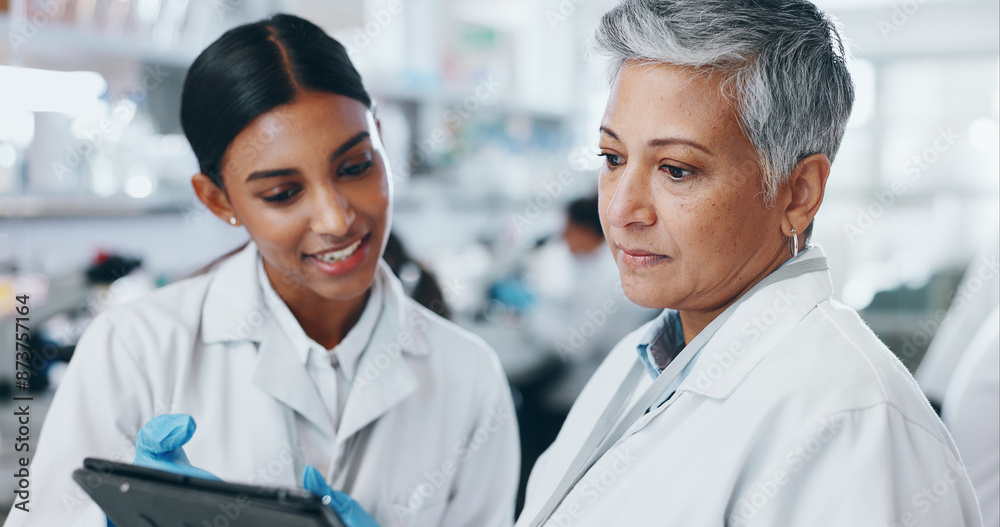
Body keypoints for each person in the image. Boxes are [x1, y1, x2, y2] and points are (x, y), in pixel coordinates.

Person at [7, 14, 518, 527]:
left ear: (381, 141)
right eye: (282, 193)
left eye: (356, 165)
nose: (336, 219)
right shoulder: (134, 348)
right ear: (217, 200)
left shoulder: (469, 376)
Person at [515, 1, 982, 526]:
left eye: (676, 170)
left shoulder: (851, 427)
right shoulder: (640, 359)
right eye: (613, 158)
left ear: (798, 194)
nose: (622, 210)